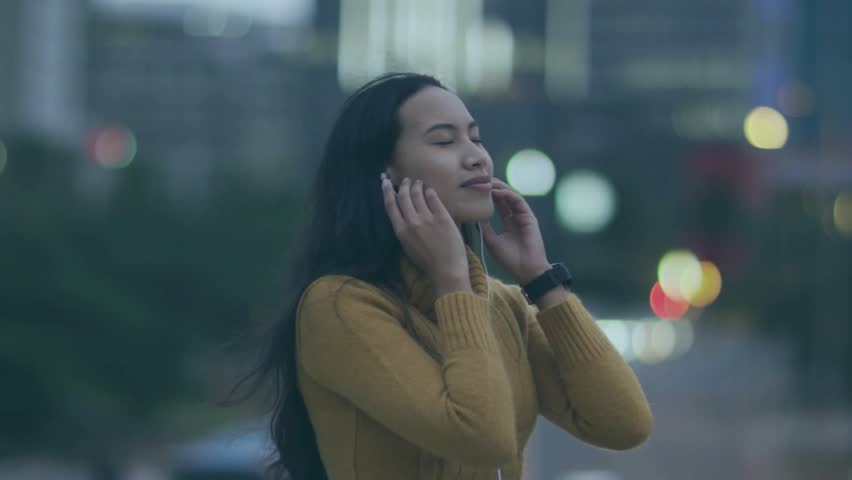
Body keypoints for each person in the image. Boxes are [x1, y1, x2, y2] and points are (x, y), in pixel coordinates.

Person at [246, 72, 652, 480]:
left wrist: (541, 280)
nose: (477, 157)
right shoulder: (339, 306)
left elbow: (624, 425)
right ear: (384, 172)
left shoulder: (501, 305)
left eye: (476, 138)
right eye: (444, 141)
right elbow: (482, 438)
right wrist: (453, 282)